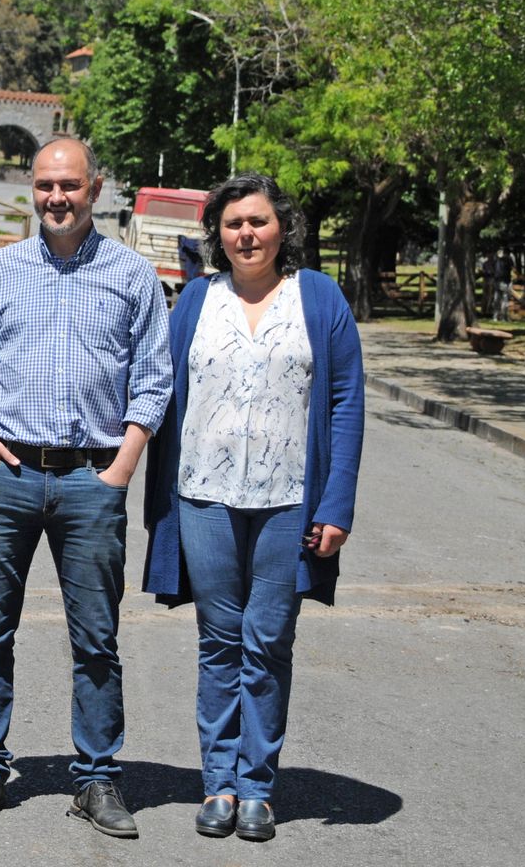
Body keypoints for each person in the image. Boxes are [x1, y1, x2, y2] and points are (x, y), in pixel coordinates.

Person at [0, 139, 171, 837]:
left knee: (96, 638)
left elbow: (154, 379)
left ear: (94, 188)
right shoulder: (0, 271)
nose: (56, 198)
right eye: (45, 185)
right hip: (6, 475)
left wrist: (120, 469)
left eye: (69, 185)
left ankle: (97, 778)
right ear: (33, 190)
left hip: (90, 478)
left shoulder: (132, 275)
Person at [143, 172, 364, 842]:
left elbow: (346, 400)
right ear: (218, 234)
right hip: (204, 495)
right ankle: (218, 783)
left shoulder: (319, 299)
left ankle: (258, 786)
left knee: (267, 643)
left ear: (282, 229)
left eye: (258, 221)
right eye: (234, 223)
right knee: (219, 643)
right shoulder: (195, 302)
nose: (246, 233)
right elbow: (161, 389)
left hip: (288, 503)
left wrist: (337, 503)